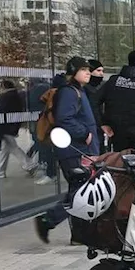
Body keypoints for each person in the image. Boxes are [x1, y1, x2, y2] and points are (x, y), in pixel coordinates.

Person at [34, 57, 100, 242]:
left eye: (89, 69)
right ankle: (48, 219)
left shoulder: (78, 90)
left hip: (79, 149)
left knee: (79, 191)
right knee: (81, 192)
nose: (88, 72)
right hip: (74, 150)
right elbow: (65, 119)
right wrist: (84, 133)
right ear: (73, 72)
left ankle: (79, 235)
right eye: (84, 69)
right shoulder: (70, 92)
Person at [0, 80, 28, 178]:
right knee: (6, 149)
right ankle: (1, 171)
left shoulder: (6, 97)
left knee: (13, 147)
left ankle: (29, 165)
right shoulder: (16, 96)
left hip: (5, 126)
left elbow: (0, 111)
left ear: (4, 86)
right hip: (11, 126)